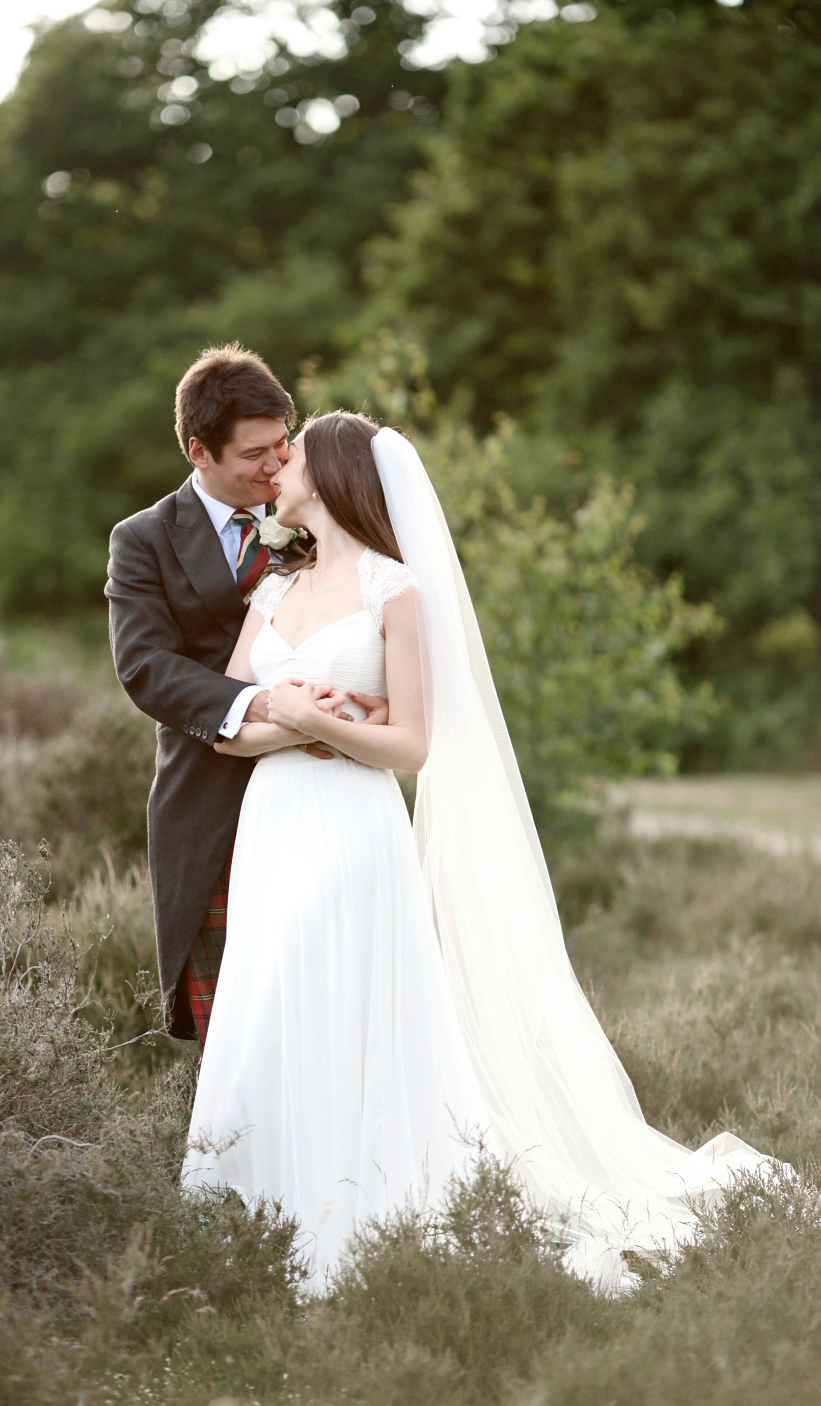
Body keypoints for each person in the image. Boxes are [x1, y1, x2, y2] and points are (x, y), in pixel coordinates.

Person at [183, 409, 773, 1293]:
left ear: (337, 476)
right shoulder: (273, 588)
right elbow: (228, 729)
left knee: (342, 1001)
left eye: (295, 453)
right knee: (268, 999)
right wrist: (301, 722)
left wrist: (315, 722)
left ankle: (359, 1218)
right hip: (271, 822)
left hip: (351, 829)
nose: (280, 465)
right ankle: (251, 1215)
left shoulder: (396, 592)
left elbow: (414, 747)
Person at [105, 346, 384, 1043]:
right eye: (255, 453)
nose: (277, 464)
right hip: (210, 801)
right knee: (235, 1029)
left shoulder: (322, 522)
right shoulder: (143, 541)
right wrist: (263, 704)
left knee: (334, 1012)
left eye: (283, 444)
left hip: (328, 802)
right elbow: (144, 666)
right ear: (200, 451)